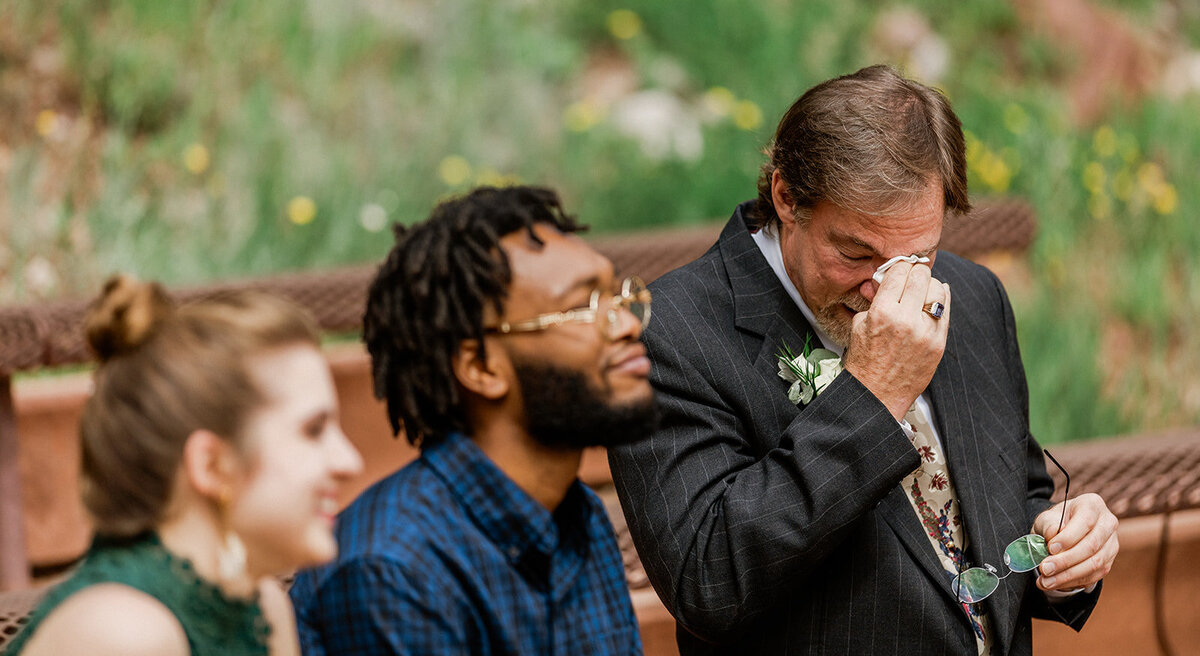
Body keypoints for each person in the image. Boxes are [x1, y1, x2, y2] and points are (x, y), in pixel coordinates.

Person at [608, 65, 1119, 655]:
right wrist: (872, 394)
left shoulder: (973, 297)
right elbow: (709, 584)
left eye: (920, 254)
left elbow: (1013, 497)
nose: (890, 289)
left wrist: (1063, 546)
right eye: (856, 252)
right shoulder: (671, 331)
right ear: (786, 198)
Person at [289, 185, 659, 655]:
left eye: (617, 296)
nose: (627, 323)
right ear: (480, 367)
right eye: (583, 307)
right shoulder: (392, 569)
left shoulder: (579, 516)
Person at [8, 276, 363, 656]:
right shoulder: (122, 633)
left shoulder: (261, 605)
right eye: (313, 430)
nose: (350, 461)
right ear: (211, 465)